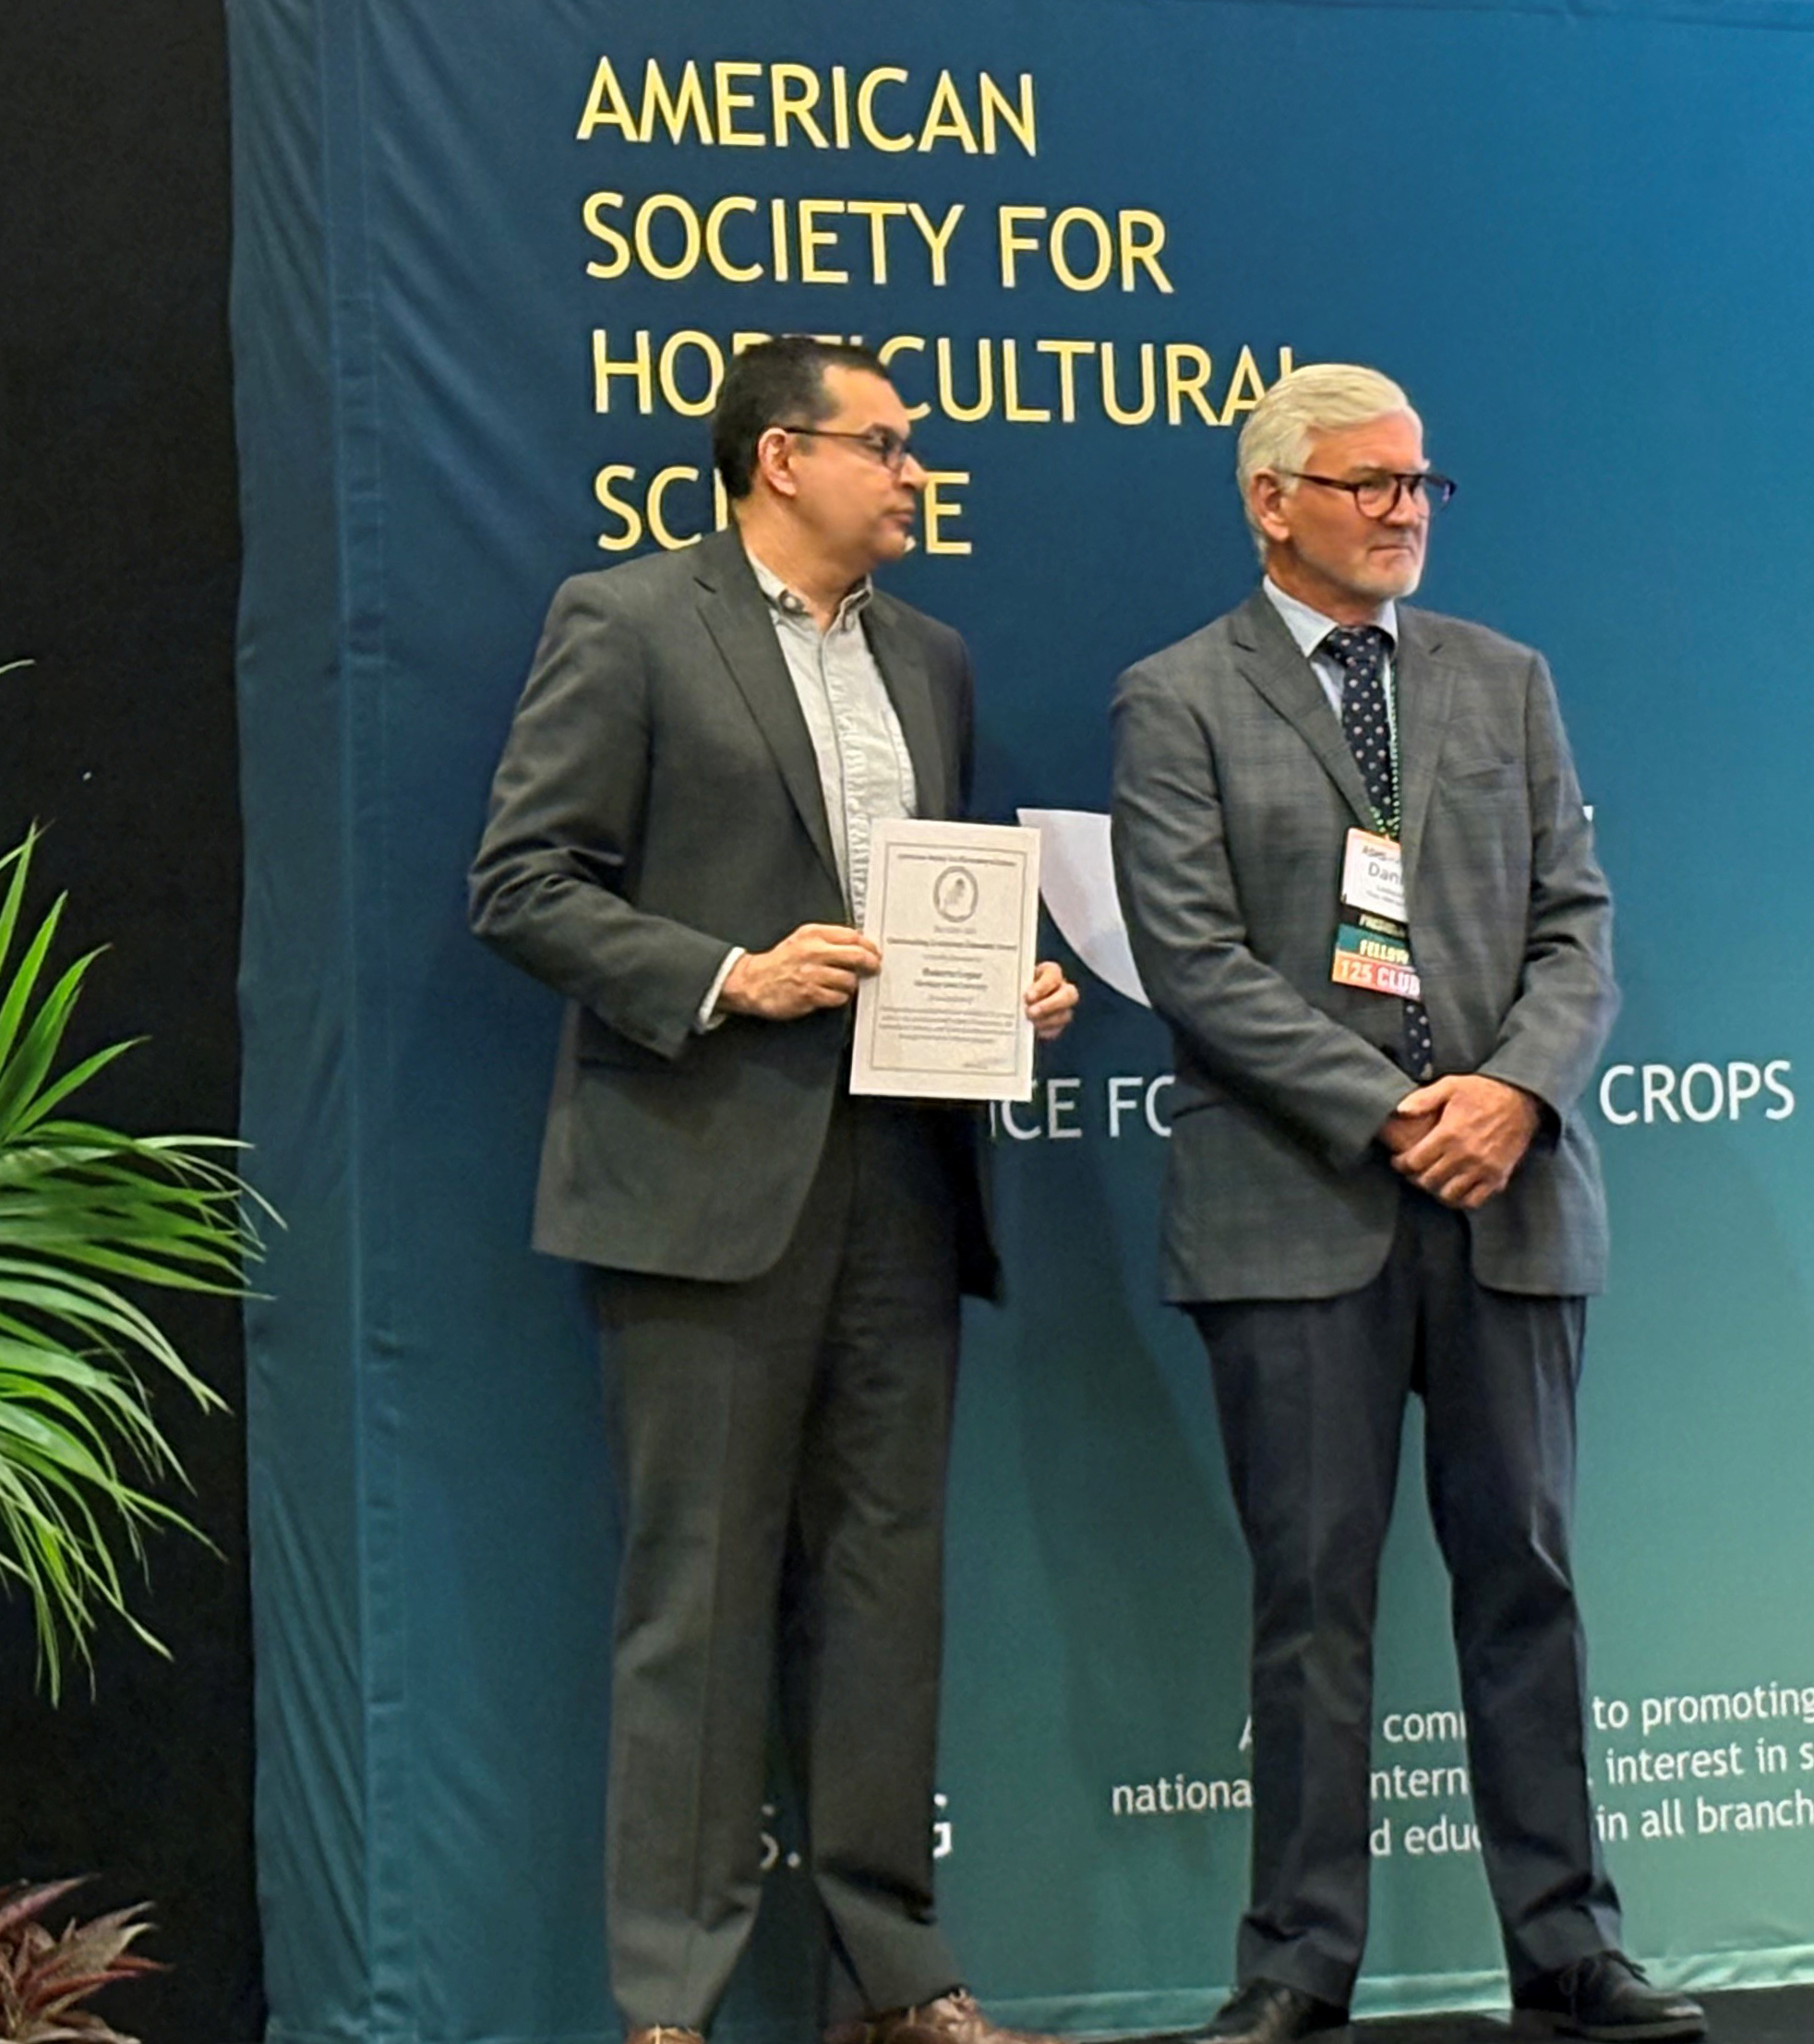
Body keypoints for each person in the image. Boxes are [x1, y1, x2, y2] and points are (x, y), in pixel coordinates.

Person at [469, 335, 1077, 2044]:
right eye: (885, 444)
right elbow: (521, 883)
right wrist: (729, 973)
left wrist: (1005, 989)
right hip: (702, 1178)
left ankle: (894, 1976)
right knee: (704, 1598)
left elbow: (927, 906)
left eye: (915, 445)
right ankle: (671, 2001)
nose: (913, 474)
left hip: (902, 1171)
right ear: (776, 459)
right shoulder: (632, 620)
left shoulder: (932, 658)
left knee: (889, 1587)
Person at [1109, 364, 1703, 2044]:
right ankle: (1296, 1965)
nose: (1400, 510)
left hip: (1510, 1198)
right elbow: (1191, 958)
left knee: (1526, 1574)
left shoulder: (1502, 680)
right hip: (1294, 1208)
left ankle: (1567, 1947)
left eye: (1420, 484)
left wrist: (1510, 1092)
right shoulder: (1177, 696)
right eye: (1365, 483)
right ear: (1270, 499)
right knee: (1312, 1597)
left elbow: (1577, 922)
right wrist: (1394, 1115)